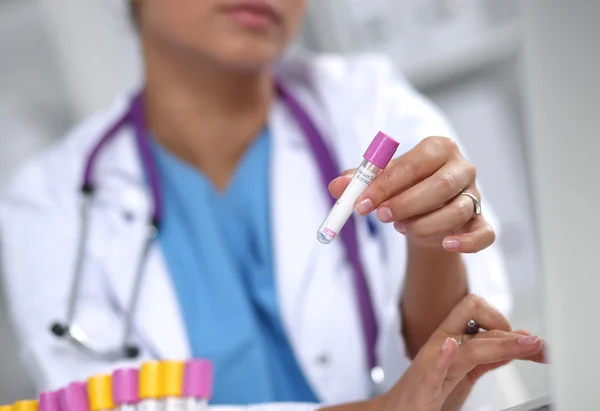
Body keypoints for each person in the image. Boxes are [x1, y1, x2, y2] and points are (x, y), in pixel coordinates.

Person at [0, 0, 516, 409]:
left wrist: (433, 246)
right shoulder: (51, 199)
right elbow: (96, 403)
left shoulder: (371, 103)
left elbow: (462, 358)